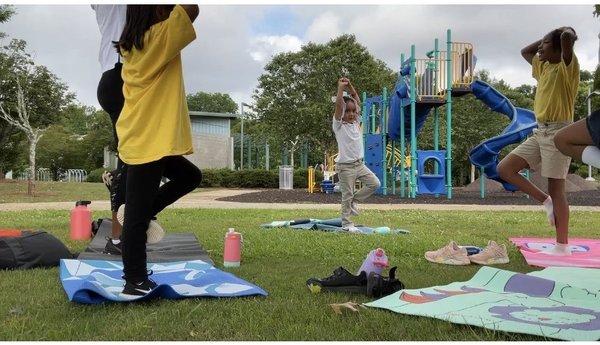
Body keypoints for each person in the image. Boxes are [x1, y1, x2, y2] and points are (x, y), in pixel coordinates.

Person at [115, 4, 202, 296]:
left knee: (190, 177)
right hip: (146, 141)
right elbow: (192, 8)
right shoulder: (159, 37)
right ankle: (135, 281)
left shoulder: (131, 46)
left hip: (143, 135)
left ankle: (141, 213)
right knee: (136, 220)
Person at [497, 27, 579, 256]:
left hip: (559, 132)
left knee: (557, 187)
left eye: (544, 45)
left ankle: (562, 246)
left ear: (559, 49)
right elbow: (525, 51)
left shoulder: (567, 68)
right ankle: (546, 201)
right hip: (539, 130)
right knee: (505, 168)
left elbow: (568, 38)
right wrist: (545, 42)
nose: (539, 49)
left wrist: (563, 36)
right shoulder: (543, 67)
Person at [92, 4, 128, 255]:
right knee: (131, 161)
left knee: (129, 160)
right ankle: (119, 237)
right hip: (122, 76)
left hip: (112, 78)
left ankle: (121, 233)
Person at [332, 77, 381, 233]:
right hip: (345, 167)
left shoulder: (356, 121)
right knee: (346, 195)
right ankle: (346, 224)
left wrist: (351, 86)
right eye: (348, 111)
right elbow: (339, 105)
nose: (352, 114)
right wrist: (340, 89)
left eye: (353, 111)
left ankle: (354, 201)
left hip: (359, 164)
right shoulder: (338, 125)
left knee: (375, 184)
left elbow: (356, 99)